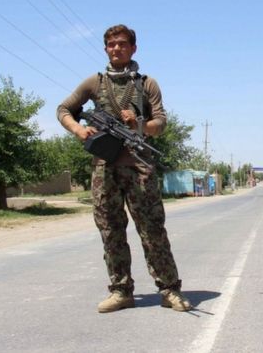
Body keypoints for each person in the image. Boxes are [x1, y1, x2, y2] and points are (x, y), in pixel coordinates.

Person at [56, 24, 191, 312]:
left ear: (133, 48)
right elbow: (64, 110)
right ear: (106, 48)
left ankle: (169, 290)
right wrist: (79, 131)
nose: (116, 48)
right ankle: (121, 291)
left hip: (139, 167)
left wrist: (138, 125)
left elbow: (161, 124)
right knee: (111, 231)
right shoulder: (94, 82)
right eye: (111, 44)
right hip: (105, 169)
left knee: (152, 231)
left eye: (122, 44)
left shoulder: (146, 83)